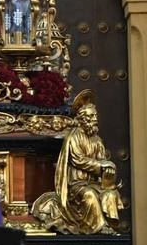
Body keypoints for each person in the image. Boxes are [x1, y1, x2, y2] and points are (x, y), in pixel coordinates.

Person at [32, 91, 123, 235]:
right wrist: (101, 166)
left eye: (95, 116)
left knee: (110, 195)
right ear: (83, 119)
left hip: (94, 183)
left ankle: (109, 227)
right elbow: (78, 160)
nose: (95, 119)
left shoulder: (97, 139)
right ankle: (96, 228)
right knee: (89, 195)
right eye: (92, 116)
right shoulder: (74, 137)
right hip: (76, 185)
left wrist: (108, 171)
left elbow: (101, 159)